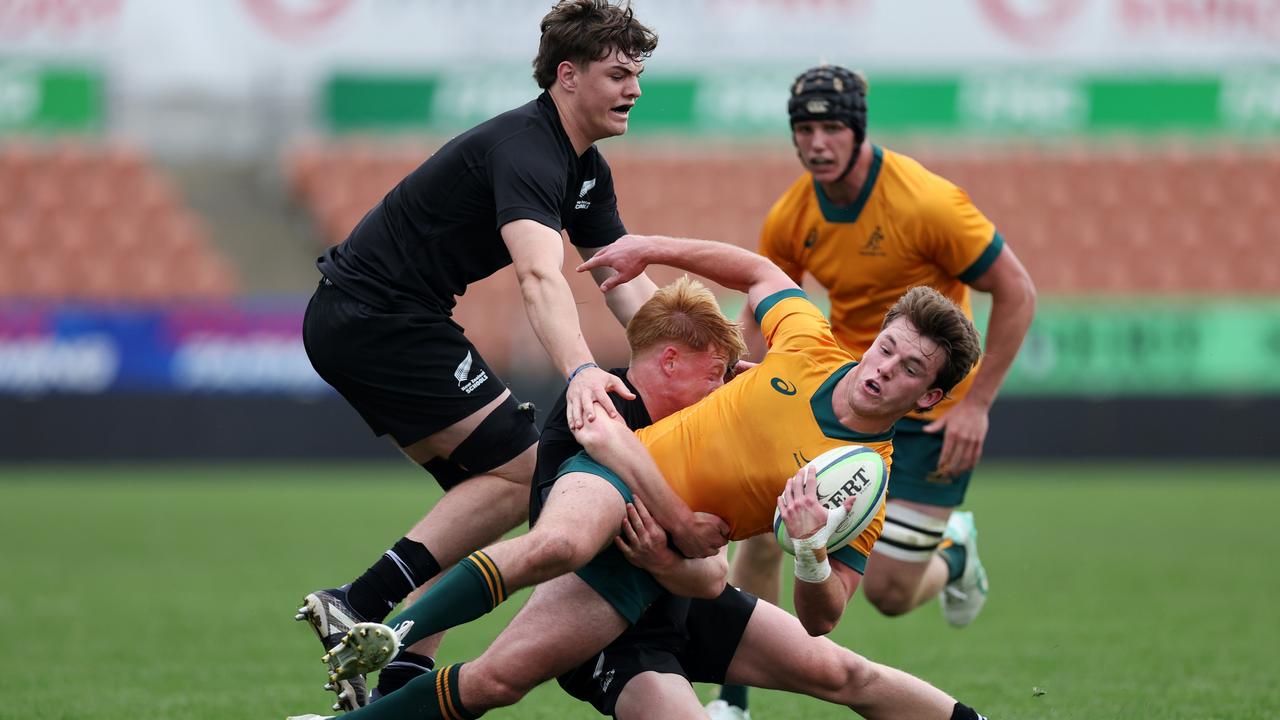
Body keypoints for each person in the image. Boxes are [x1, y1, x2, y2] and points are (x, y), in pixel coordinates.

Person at [282, 234, 984, 720]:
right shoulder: (809, 345)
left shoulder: (869, 482)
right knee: (559, 544)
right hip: (615, 475)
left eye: (909, 369)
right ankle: (390, 636)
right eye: (888, 348)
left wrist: (808, 550)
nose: (884, 368)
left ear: (927, 398)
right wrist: (652, 248)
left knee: (843, 673)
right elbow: (761, 271)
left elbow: (823, 615)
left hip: (654, 574)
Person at [292, 1, 725, 711]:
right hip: (376, 318)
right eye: (618, 73)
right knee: (524, 474)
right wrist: (582, 370)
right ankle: (359, 602)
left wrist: (708, 365)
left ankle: (396, 681)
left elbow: (625, 288)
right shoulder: (528, 147)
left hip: (377, 317)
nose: (635, 89)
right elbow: (537, 274)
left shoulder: (585, 169)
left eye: (638, 75)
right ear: (567, 75)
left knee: (480, 499)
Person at [710, 63, 1036, 720]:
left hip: (932, 412)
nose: (817, 143)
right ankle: (733, 700)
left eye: (832, 127)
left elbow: (1017, 290)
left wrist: (976, 404)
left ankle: (957, 551)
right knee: (767, 529)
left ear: (858, 130)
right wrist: (747, 372)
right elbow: (765, 294)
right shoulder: (793, 214)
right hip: (842, 401)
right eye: (805, 129)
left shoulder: (926, 203)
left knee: (888, 593)